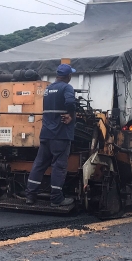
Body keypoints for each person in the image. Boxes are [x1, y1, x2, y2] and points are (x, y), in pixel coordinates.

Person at [25, 64, 77, 207]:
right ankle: (56, 199)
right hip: (60, 134)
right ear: (68, 76)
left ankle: (30, 195)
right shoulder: (67, 87)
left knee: (39, 164)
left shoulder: (48, 89)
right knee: (59, 166)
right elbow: (71, 102)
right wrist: (70, 115)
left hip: (46, 134)